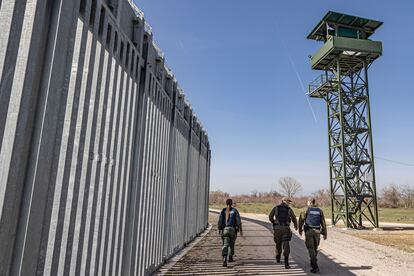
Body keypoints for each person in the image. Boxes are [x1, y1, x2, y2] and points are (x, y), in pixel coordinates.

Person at [299, 197, 327, 273]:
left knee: (311, 248)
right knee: (315, 248)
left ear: (309, 202)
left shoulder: (305, 209)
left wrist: (300, 229)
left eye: (307, 202)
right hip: (317, 232)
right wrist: (325, 233)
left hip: (309, 231)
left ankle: (315, 266)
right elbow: (323, 223)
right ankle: (313, 261)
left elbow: (301, 220)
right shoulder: (319, 210)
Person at [268, 197, 298, 269]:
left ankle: (278, 257)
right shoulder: (289, 209)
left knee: (278, 243)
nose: (289, 203)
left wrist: (274, 223)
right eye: (288, 201)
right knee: (286, 245)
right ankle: (286, 263)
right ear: (285, 201)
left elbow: (270, 216)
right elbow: (294, 218)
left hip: (277, 229)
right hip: (285, 229)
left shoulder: (276, 208)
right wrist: (295, 226)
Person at [218, 198, 242, 267]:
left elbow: (220, 221)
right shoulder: (235, 211)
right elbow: (238, 221)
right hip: (232, 230)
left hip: (225, 230)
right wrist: (240, 229)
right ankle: (230, 257)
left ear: (226, 203)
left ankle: (224, 258)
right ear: (231, 203)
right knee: (231, 244)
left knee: (225, 244)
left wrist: (219, 228)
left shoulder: (223, 210)